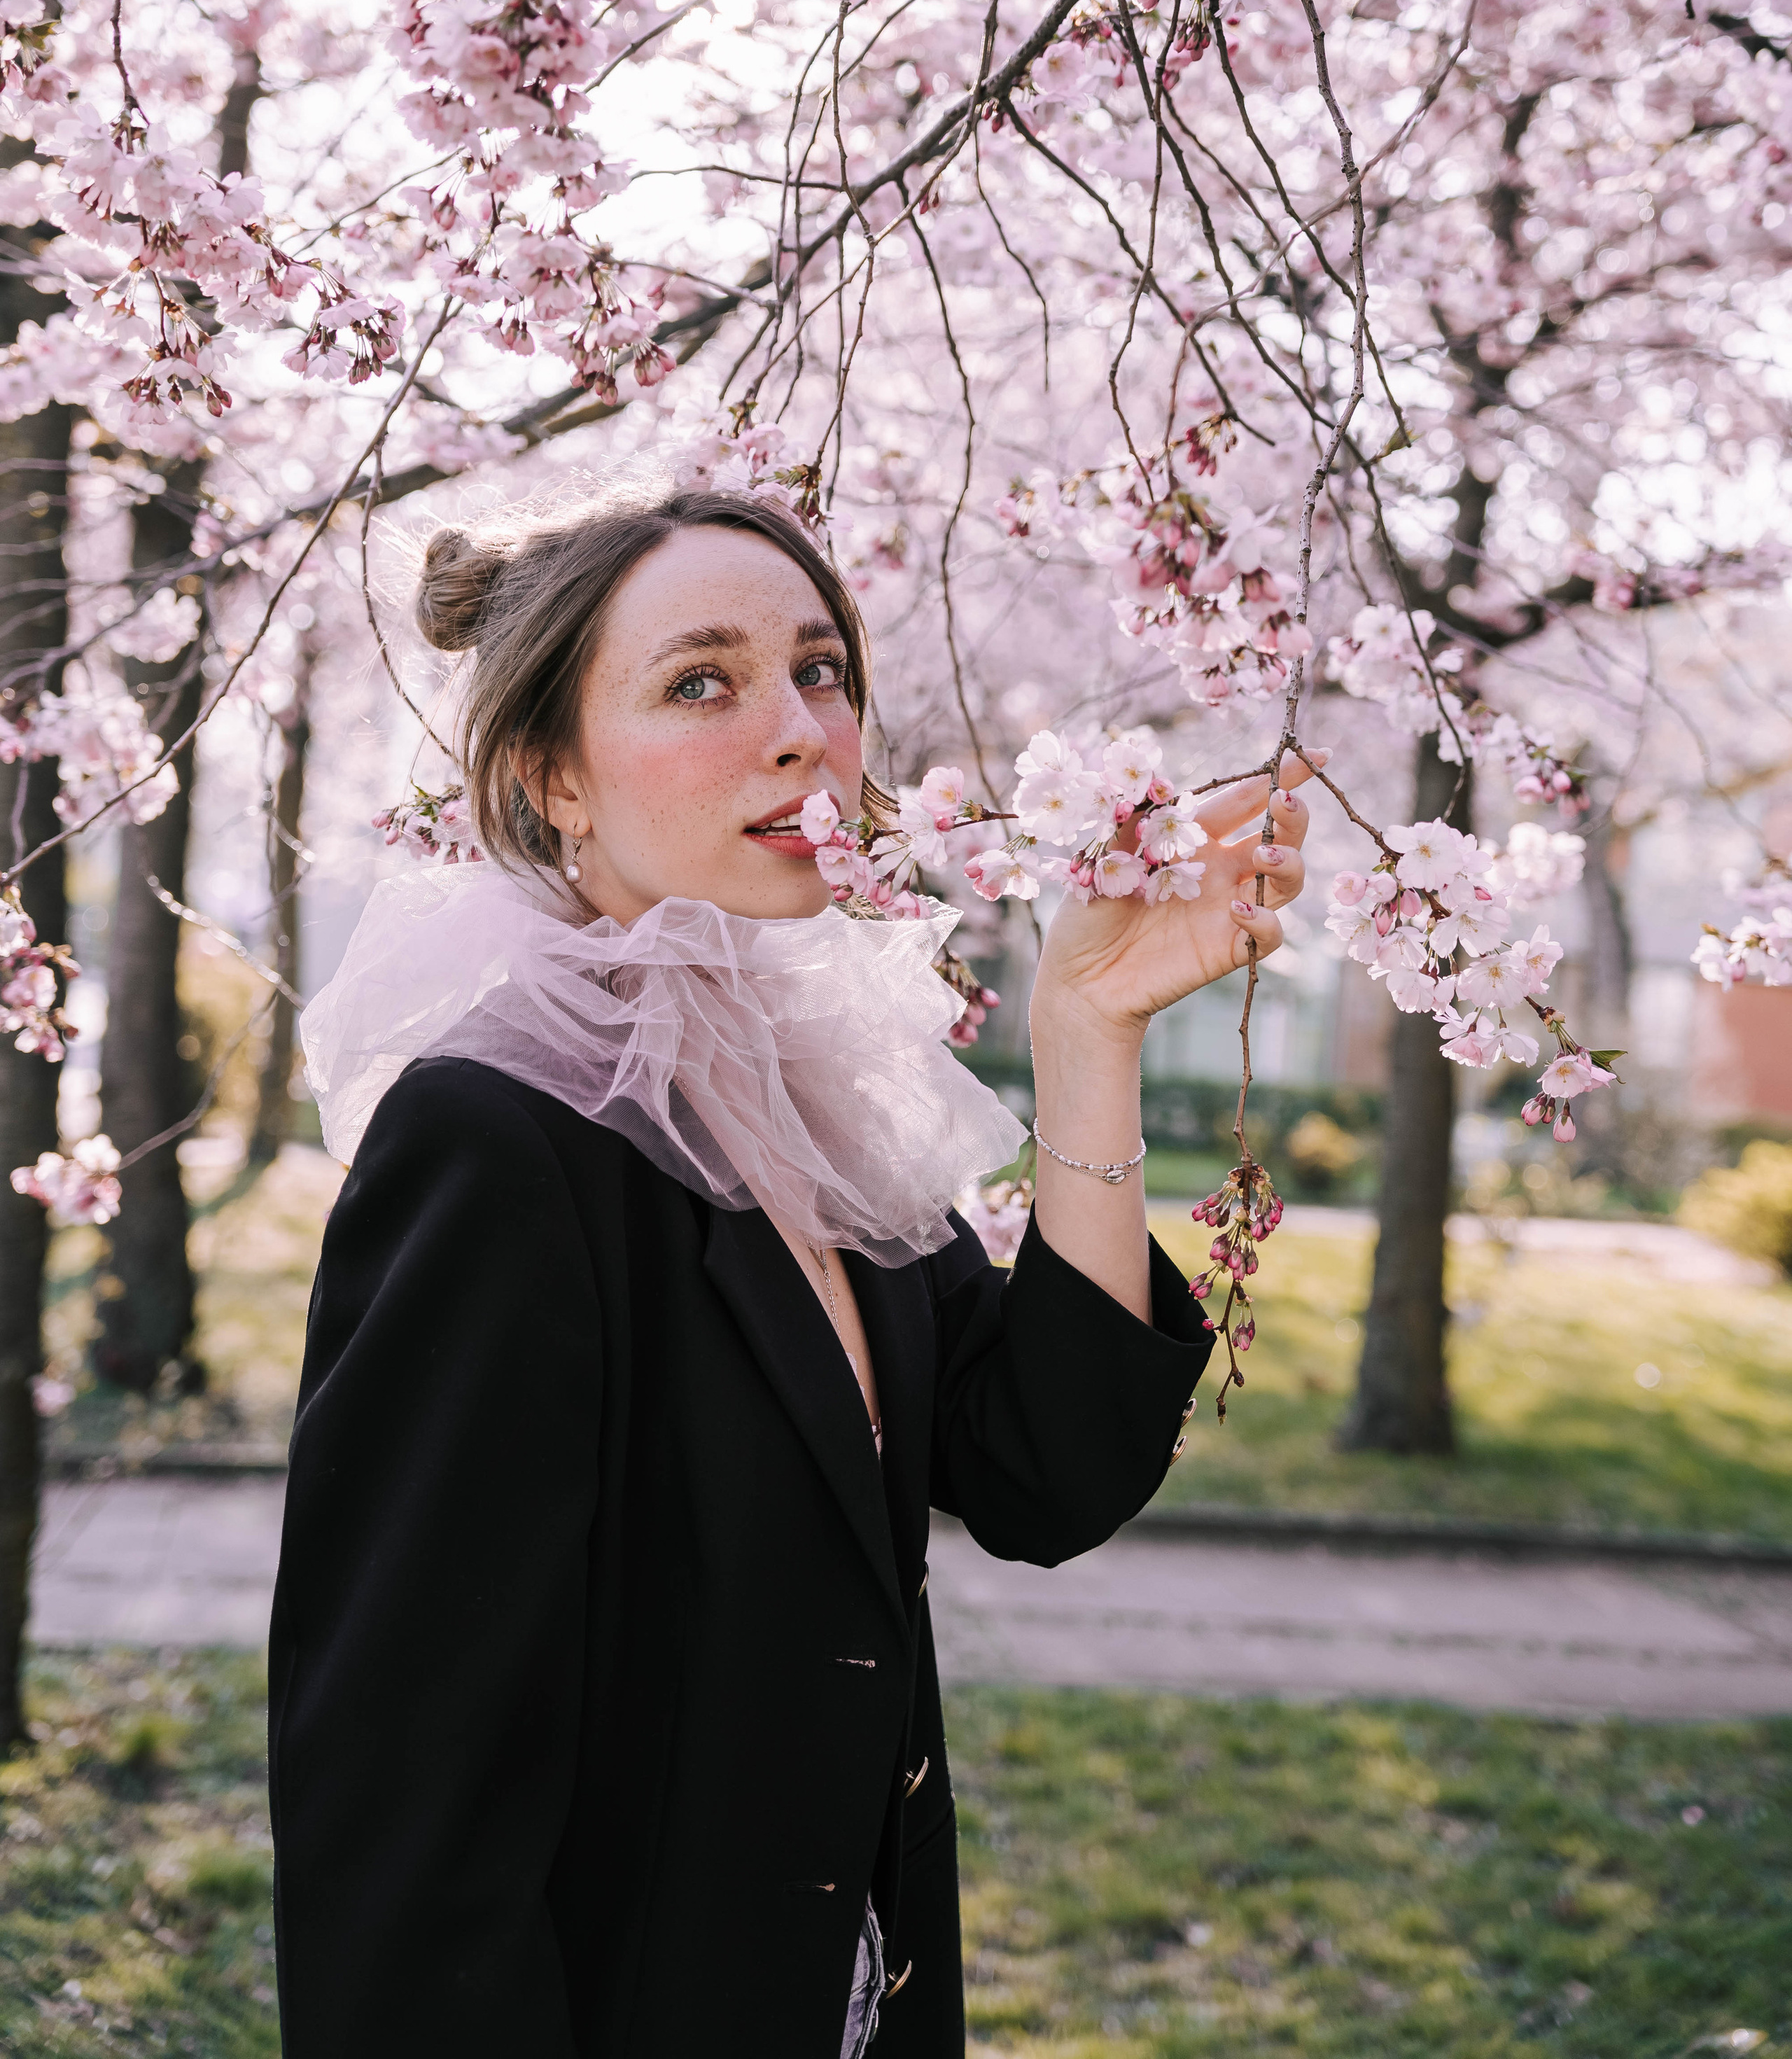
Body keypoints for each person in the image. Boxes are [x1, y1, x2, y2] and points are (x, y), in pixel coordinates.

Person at [269, 482, 1311, 2058]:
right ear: (551, 779)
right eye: (701, 682)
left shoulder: (802, 1083)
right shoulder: (494, 1144)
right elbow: (397, 1789)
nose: (799, 731)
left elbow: (1041, 1477)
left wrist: (1085, 1039)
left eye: (820, 672)